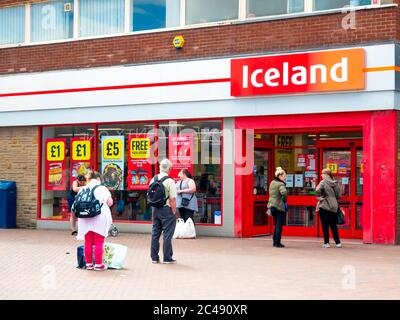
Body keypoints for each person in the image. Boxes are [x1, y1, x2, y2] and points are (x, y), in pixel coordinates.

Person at [76, 171, 113, 271]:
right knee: (98, 242)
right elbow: (110, 202)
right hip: (99, 217)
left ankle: (88, 264)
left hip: (84, 218)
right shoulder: (101, 188)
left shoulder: (83, 189)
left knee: (88, 241)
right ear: (98, 179)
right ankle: (98, 264)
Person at [149, 159, 178, 264]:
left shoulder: (153, 179)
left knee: (155, 233)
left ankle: (154, 257)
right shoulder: (170, 181)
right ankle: (167, 258)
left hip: (155, 209)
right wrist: (174, 211)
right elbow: (173, 199)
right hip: (166, 210)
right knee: (167, 234)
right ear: (169, 169)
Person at [316, 168, 342, 248]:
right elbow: (338, 195)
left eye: (322, 174)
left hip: (325, 206)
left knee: (325, 225)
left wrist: (320, 198)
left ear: (326, 175)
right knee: (333, 225)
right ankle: (338, 242)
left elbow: (317, 190)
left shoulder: (323, 182)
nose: (321, 175)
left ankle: (326, 243)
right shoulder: (335, 183)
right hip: (334, 206)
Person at [267, 167, 288, 248]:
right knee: (279, 225)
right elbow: (284, 193)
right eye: (284, 176)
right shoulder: (281, 184)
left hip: (272, 206)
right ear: (280, 176)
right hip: (279, 207)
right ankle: (278, 243)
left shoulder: (272, 182)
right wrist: (284, 200)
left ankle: (274, 241)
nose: (285, 177)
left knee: (276, 224)